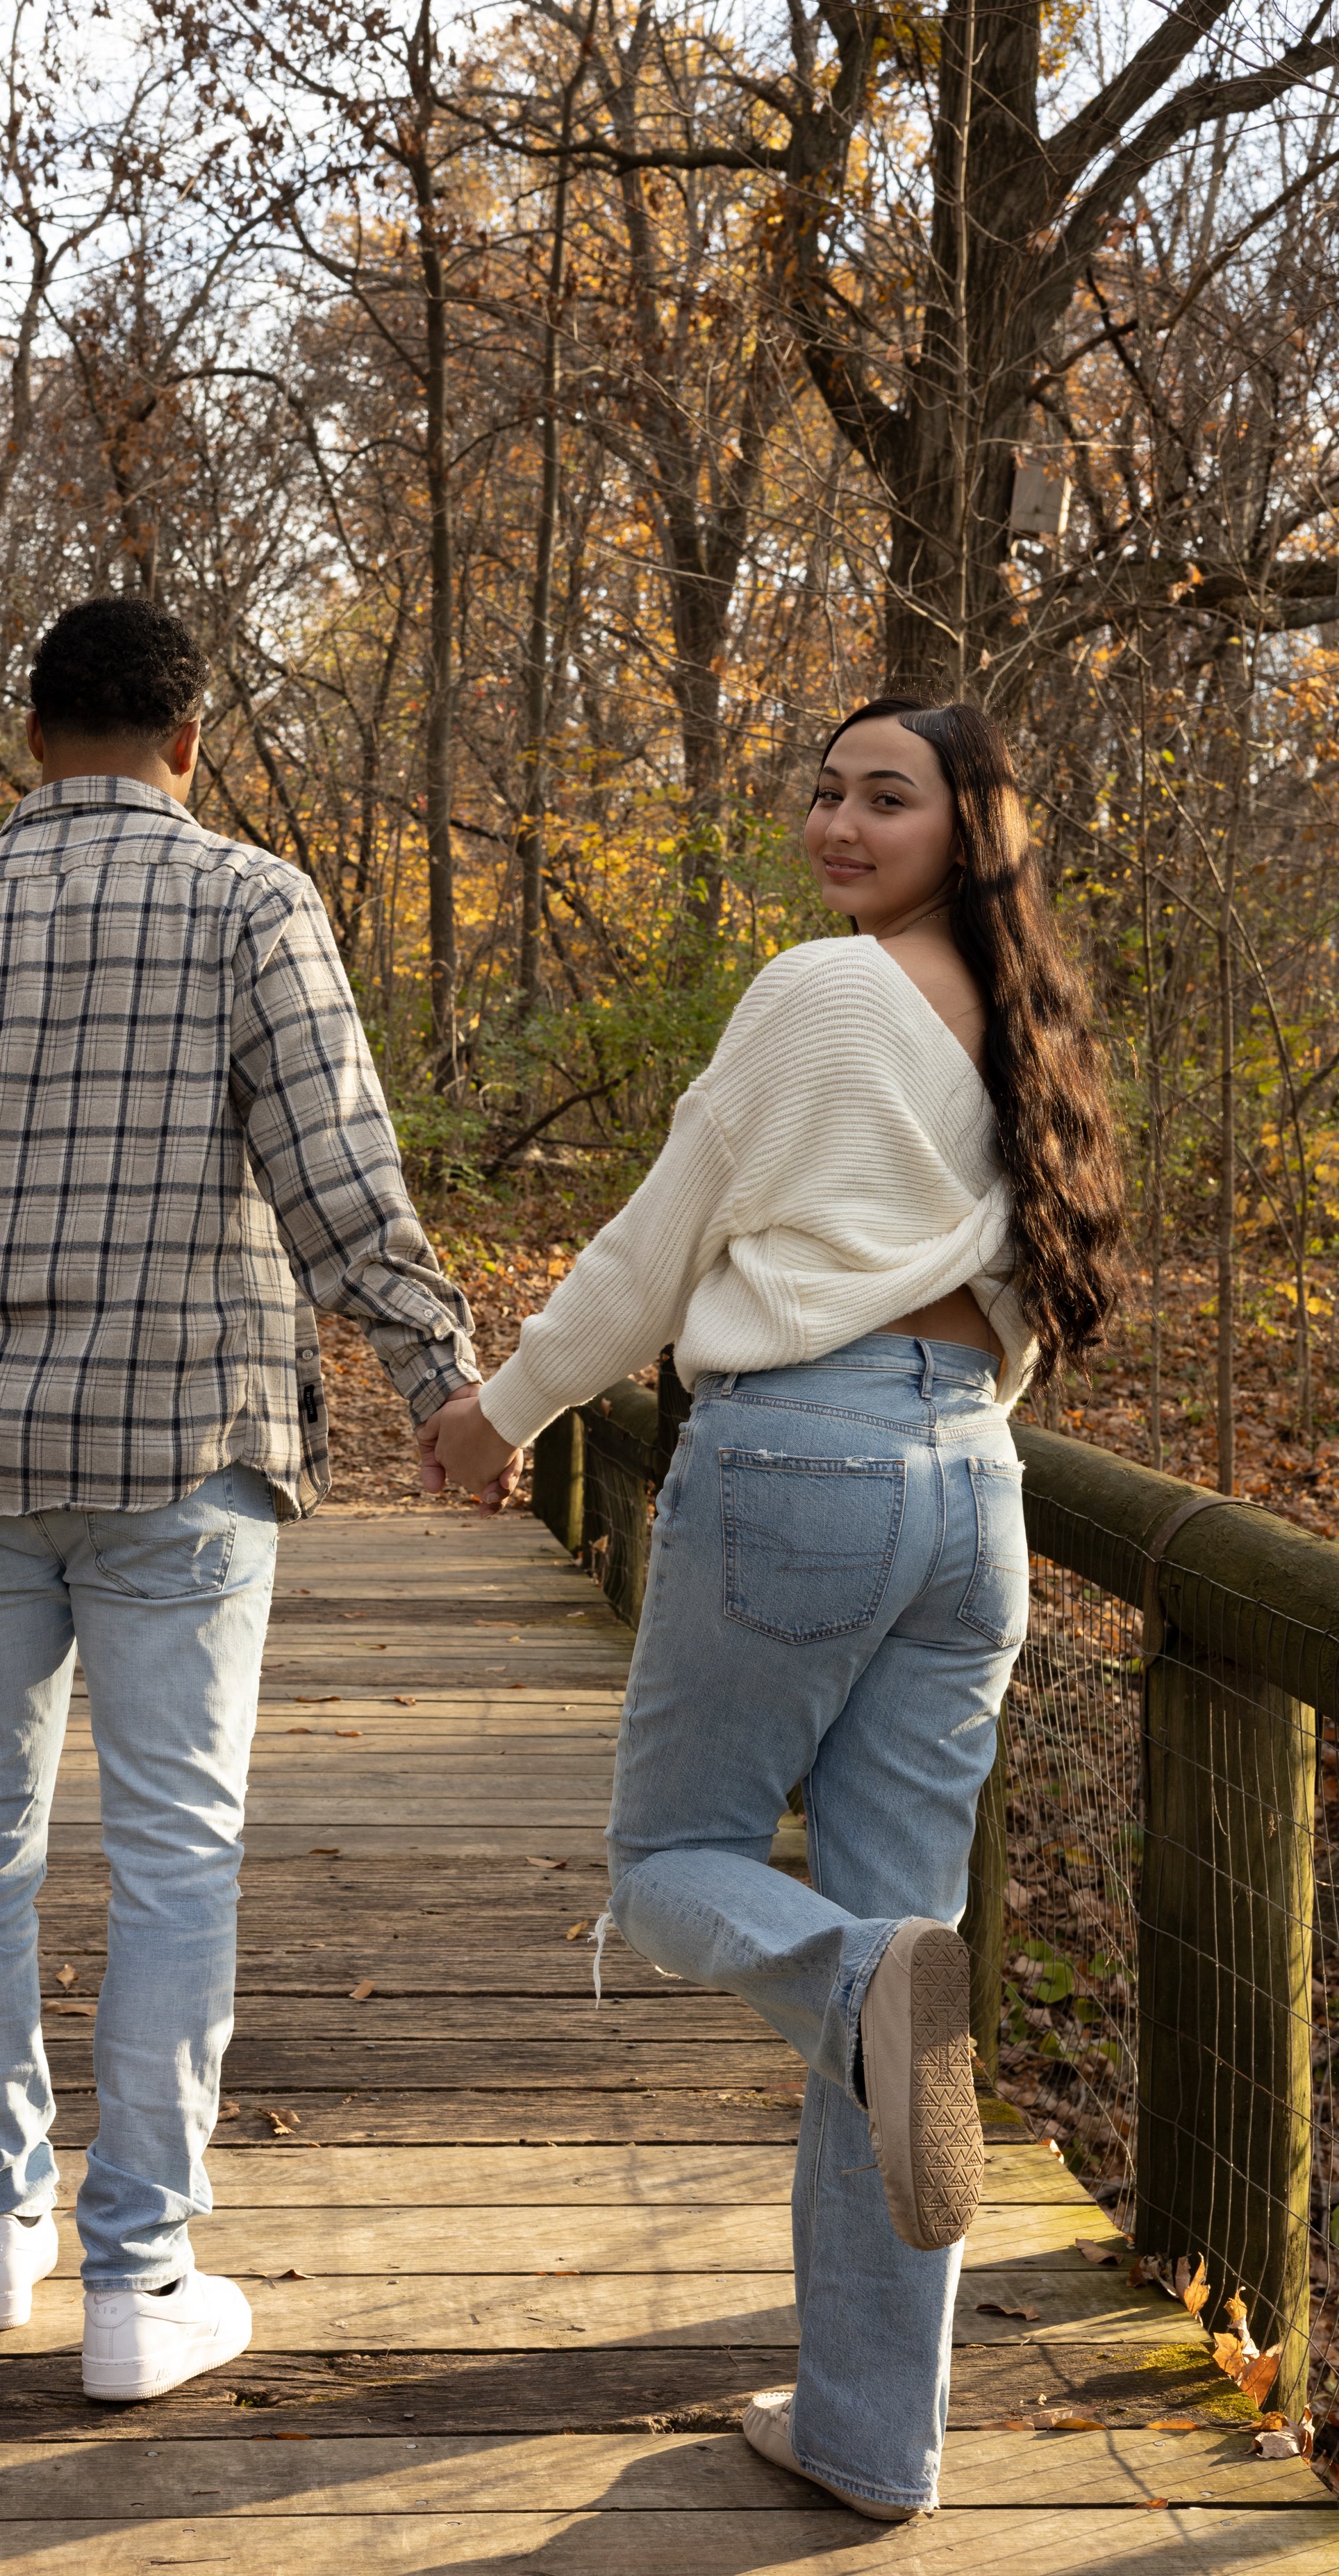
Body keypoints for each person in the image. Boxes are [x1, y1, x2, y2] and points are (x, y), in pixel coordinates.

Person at [0, 595, 510, 2402]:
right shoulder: (249, 903)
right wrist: (444, 1383)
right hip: (176, 1447)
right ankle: (138, 2278)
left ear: (28, 739)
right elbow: (339, 1174)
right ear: (189, 744)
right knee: (177, 1844)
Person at [422, 697, 1123, 2518]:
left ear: (966, 824)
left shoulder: (821, 996)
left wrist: (499, 1415)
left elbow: (659, 1240)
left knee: (673, 1866)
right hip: (972, 1484)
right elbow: (1024, 1293)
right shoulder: (1028, 1030)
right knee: (908, 2021)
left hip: (800, 1459)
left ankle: (857, 1982)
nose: (834, 820)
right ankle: (872, 2436)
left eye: (881, 796)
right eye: (820, 789)